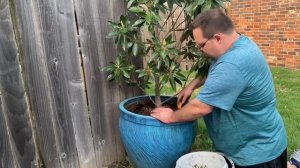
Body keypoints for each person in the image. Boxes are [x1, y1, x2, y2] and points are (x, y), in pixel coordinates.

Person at [151, 9, 287, 168]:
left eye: (201, 45)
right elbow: (216, 71)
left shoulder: (233, 63)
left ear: (217, 38)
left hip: (257, 156)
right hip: (261, 143)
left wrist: (171, 117)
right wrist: (192, 85)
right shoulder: (238, 44)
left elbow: (200, 108)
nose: (200, 50)